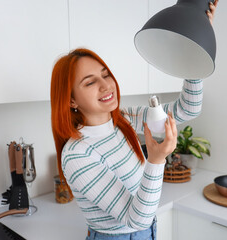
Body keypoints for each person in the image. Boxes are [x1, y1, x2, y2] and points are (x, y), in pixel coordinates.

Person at [50, 2, 218, 239]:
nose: (105, 84)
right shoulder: (78, 155)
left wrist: (195, 45)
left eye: (105, 74)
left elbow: (187, 109)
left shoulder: (124, 120)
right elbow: (136, 218)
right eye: (89, 82)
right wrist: (157, 159)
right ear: (71, 101)